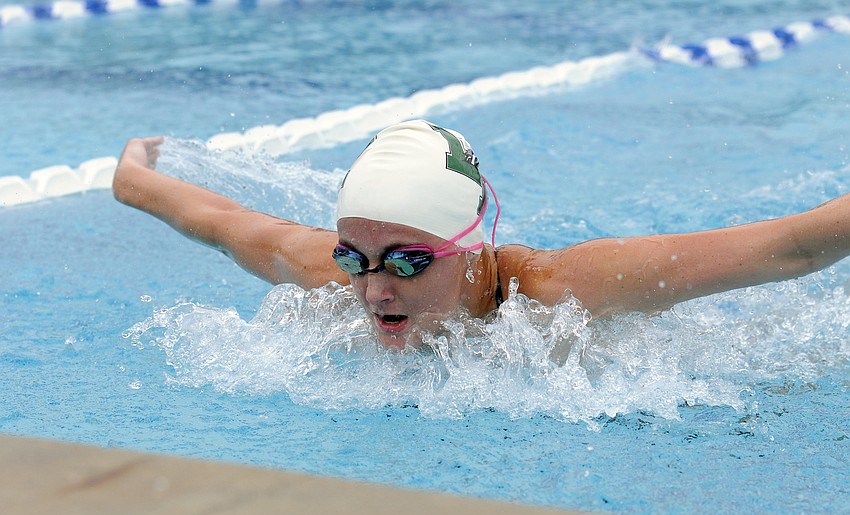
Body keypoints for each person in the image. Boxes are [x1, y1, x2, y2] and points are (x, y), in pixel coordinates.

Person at [113, 119, 850, 349]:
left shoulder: (559, 291)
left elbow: (794, 245)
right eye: (354, 256)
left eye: (406, 260)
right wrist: (135, 173)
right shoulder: (328, 279)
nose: (371, 289)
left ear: (468, 247)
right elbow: (212, 221)